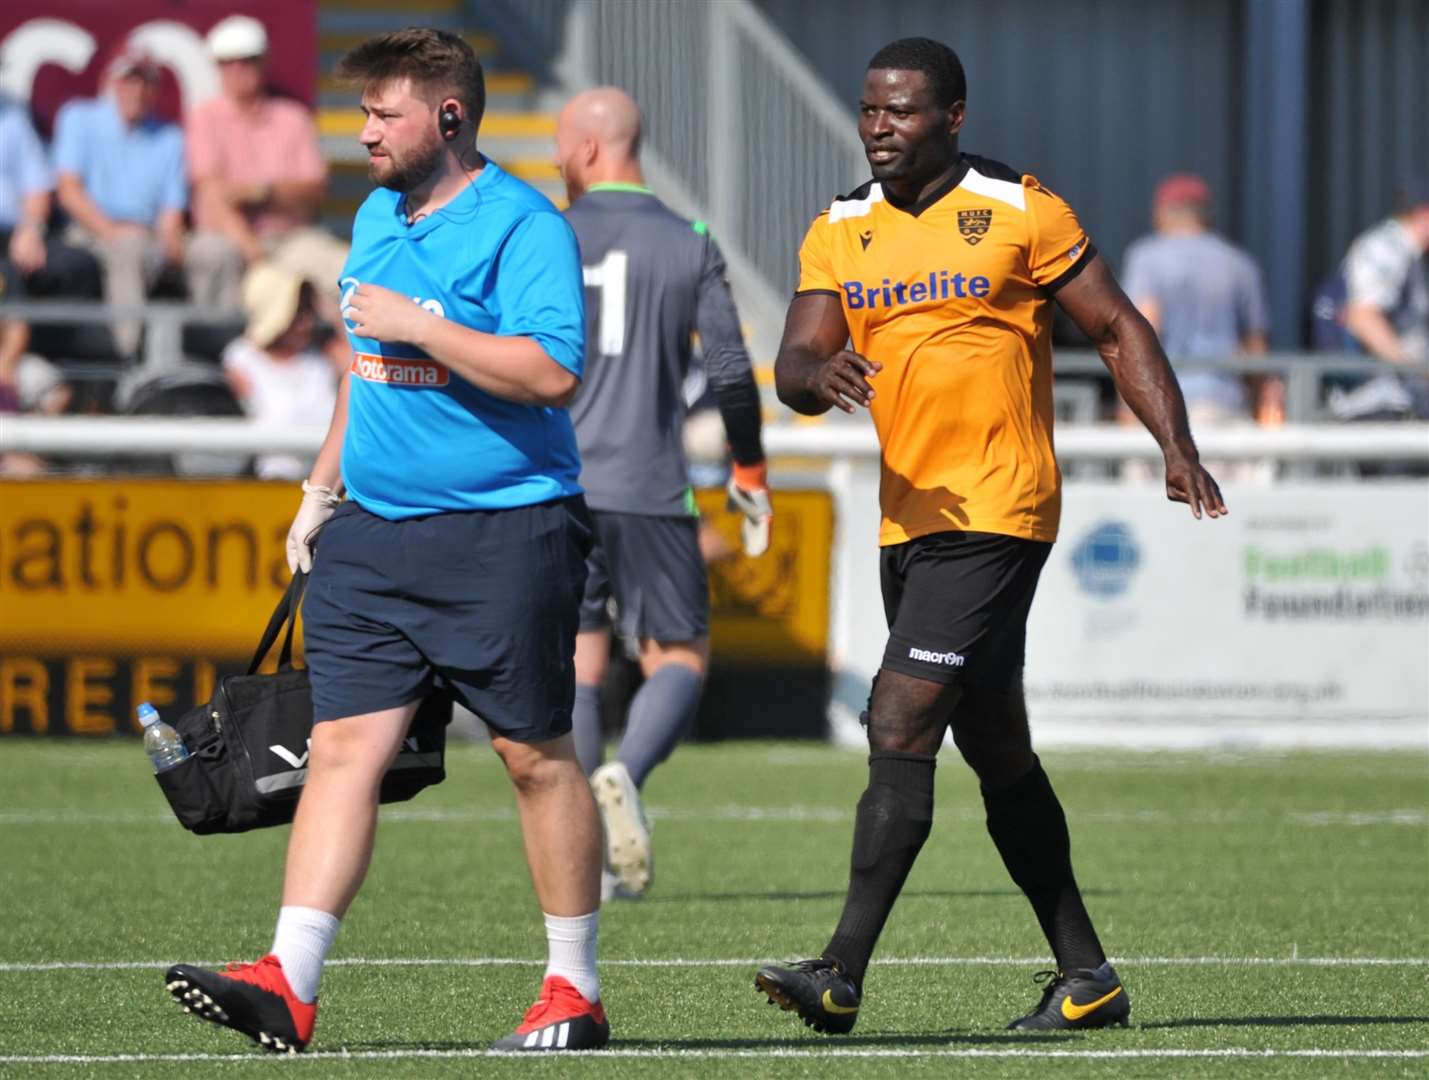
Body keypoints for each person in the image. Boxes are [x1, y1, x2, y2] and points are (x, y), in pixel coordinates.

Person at [754, 37, 1225, 1035]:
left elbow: (1113, 327)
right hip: (907, 517)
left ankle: (838, 971)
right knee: (995, 745)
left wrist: (1173, 443)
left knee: (899, 717)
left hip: (997, 508)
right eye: (870, 111)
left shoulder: (1020, 208)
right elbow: (795, 356)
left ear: (954, 116)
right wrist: (813, 379)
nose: (880, 128)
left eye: (903, 112)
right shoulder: (842, 225)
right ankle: (1087, 979)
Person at [162, 29, 608, 1055]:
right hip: (371, 537)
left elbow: (551, 374)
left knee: (533, 758)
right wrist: (320, 489)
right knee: (340, 750)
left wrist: (424, 324)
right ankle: (288, 979)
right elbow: (364, 373)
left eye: (383, 114)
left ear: (448, 119)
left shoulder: (524, 224)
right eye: (360, 112)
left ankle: (572, 991)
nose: (361, 132)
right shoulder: (371, 213)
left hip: (506, 532)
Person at [554, 87, 769, 900]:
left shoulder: (546, 233)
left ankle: (587, 849)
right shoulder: (689, 240)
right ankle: (628, 775)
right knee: (677, 655)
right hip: (649, 485)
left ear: (586, 149)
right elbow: (727, 373)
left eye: (558, 146)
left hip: (554, 485)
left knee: (576, 664)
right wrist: (747, 469)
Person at [186, 15, 348, 315]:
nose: (238, 69)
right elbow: (212, 195)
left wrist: (259, 192)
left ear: (263, 62)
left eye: (246, 60)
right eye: (228, 61)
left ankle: (353, 352)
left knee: (345, 269)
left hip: (291, 237)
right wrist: (255, 251)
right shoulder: (205, 117)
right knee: (215, 254)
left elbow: (315, 189)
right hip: (229, 238)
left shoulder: (293, 117)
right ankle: (218, 345)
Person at [53, 43, 188, 357]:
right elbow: (69, 192)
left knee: (213, 253)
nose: (136, 90)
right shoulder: (78, 117)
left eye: (145, 82)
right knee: (130, 249)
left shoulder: (170, 137)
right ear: (113, 83)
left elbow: (172, 210)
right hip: (90, 232)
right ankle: (125, 360)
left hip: (147, 236)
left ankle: (218, 361)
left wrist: (170, 240)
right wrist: (112, 233)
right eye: (130, 80)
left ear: (155, 90)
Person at [1121, 174, 1277, 424]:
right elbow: (1256, 348)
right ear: (1205, 214)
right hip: (1224, 404)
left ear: (1161, 212)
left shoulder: (1146, 259)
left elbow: (1142, 332)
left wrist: (1127, 409)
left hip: (1159, 405)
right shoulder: (1239, 262)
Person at [222, 262, 343, 480]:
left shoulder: (324, 356)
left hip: (326, 486)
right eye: (297, 312)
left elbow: (360, 365)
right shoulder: (240, 359)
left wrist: (332, 313)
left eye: (309, 310)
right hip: (270, 487)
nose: (307, 322)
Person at [1331, 178, 1429, 420]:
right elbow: (1363, 318)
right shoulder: (1386, 247)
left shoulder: (1411, 255)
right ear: (1423, 212)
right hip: (1379, 402)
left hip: (1403, 400)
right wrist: (1417, 370)